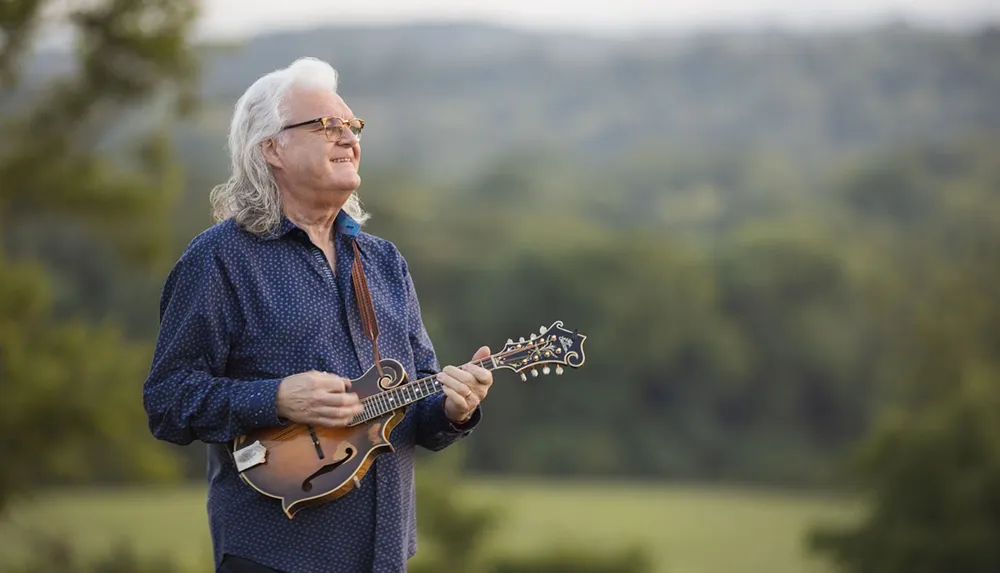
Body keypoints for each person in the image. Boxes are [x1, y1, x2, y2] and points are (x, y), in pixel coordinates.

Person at [142, 57, 492, 573]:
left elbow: (412, 403)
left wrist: (453, 410)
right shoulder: (219, 259)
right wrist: (276, 397)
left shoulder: (383, 261)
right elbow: (168, 401)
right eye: (327, 125)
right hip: (273, 553)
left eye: (353, 126)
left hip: (384, 552)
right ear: (272, 148)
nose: (349, 137)